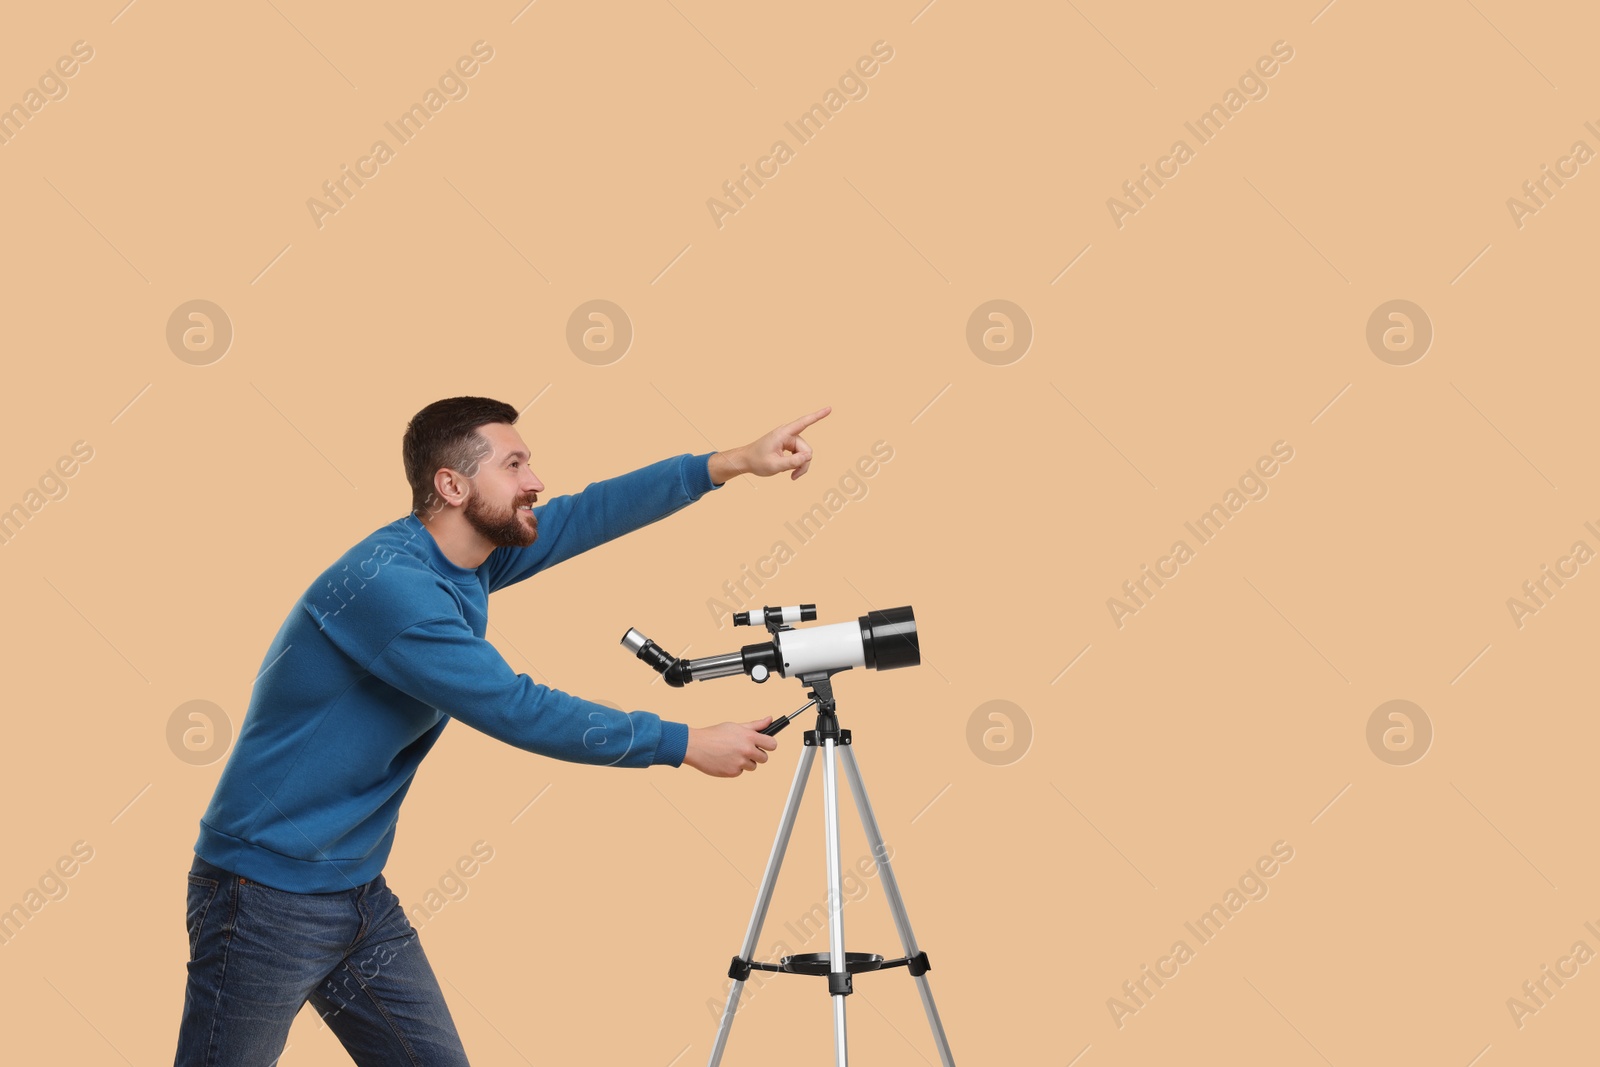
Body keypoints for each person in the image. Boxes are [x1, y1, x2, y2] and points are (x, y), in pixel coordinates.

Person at [174, 396, 832, 1066]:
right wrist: (683, 742)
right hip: (263, 894)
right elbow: (519, 708)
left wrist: (734, 462)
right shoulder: (392, 588)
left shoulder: (464, 558)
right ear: (452, 485)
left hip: (354, 889)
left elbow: (587, 514)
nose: (535, 482)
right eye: (514, 463)